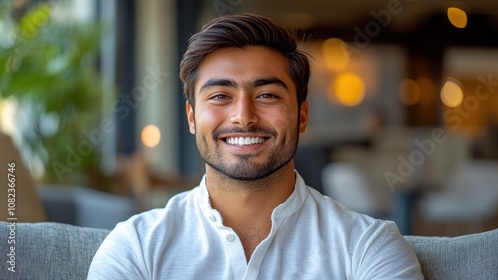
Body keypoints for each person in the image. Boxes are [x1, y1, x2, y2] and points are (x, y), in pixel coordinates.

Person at [87, 13, 423, 279]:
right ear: (191, 117)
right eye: (220, 96)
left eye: (267, 95)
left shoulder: (369, 248)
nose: (243, 117)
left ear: (302, 116)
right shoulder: (135, 248)